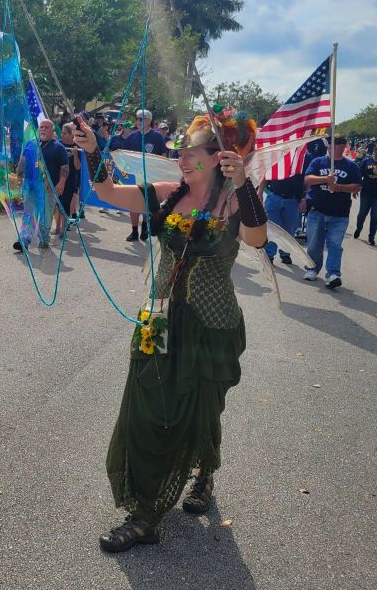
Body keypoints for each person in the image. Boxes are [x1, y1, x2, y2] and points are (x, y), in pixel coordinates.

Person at [73, 112, 267, 553]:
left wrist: (244, 185)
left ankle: (204, 474)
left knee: (202, 410)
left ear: (217, 158)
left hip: (211, 325)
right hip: (158, 319)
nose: (180, 157)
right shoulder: (166, 193)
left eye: (190, 151)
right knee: (148, 408)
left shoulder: (235, 203)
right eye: (179, 149)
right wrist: (93, 152)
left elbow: (257, 239)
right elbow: (107, 192)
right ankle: (145, 514)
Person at [302, 135, 361, 289]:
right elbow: (308, 179)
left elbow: (357, 186)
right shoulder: (318, 162)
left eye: (338, 143)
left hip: (339, 213)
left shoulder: (351, 166)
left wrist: (338, 187)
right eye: (331, 143)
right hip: (317, 210)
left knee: (335, 245)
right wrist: (325, 179)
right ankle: (312, 268)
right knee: (314, 244)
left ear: (343, 146)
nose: (333, 146)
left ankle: (333, 274)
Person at [13, 119, 68, 253]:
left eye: (46, 127)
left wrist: (61, 183)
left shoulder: (58, 147)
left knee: (45, 217)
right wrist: (19, 176)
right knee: (28, 214)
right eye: (41, 127)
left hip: (47, 187)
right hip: (30, 185)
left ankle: (43, 239)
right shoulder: (31, 144)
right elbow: (23, 160)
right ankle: (24, 241)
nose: (43, 129)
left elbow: (64, 167)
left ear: (52, 131)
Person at [124, 109, 168, 242]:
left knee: (146, 203)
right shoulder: (132, 136)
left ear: (149, 121)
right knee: (133, 203)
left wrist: (159, 169)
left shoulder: (157, 137)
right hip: (134, 175)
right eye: (137, 119)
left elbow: (163, 155)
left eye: (141, 119)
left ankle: (144, 228)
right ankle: (134, 231)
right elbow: (124, 155)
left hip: (151, 176)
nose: (138, 121)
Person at [264, 171, 303, 265]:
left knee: (289, 229)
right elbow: (265, 175)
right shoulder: (276, 161)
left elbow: (307, 179)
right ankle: (269, 255)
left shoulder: (303, 162)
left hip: (293, 200)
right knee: (272, 228)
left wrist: (304, 198)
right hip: (274, 196)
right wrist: (260, 191)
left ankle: (285, 253)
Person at [54, 122, 81, 234]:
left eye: (65, 133)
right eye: (62, 133)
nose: (62, 135)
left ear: (71, 135)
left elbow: (77, 167)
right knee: (57, 203)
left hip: (71, 179)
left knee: (66, 203)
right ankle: (57, 227)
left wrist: (75, 154)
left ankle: (64, 228)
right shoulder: (58, 144)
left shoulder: (77, 147)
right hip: (58, 177)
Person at [354, 140, 377, 246]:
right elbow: (359, 175)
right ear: (374, 150)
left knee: (374, 216)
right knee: (362, 215)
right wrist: (356, 189)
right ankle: (359, 228)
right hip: (366, 193)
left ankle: (371, 237)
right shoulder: (366, 161)